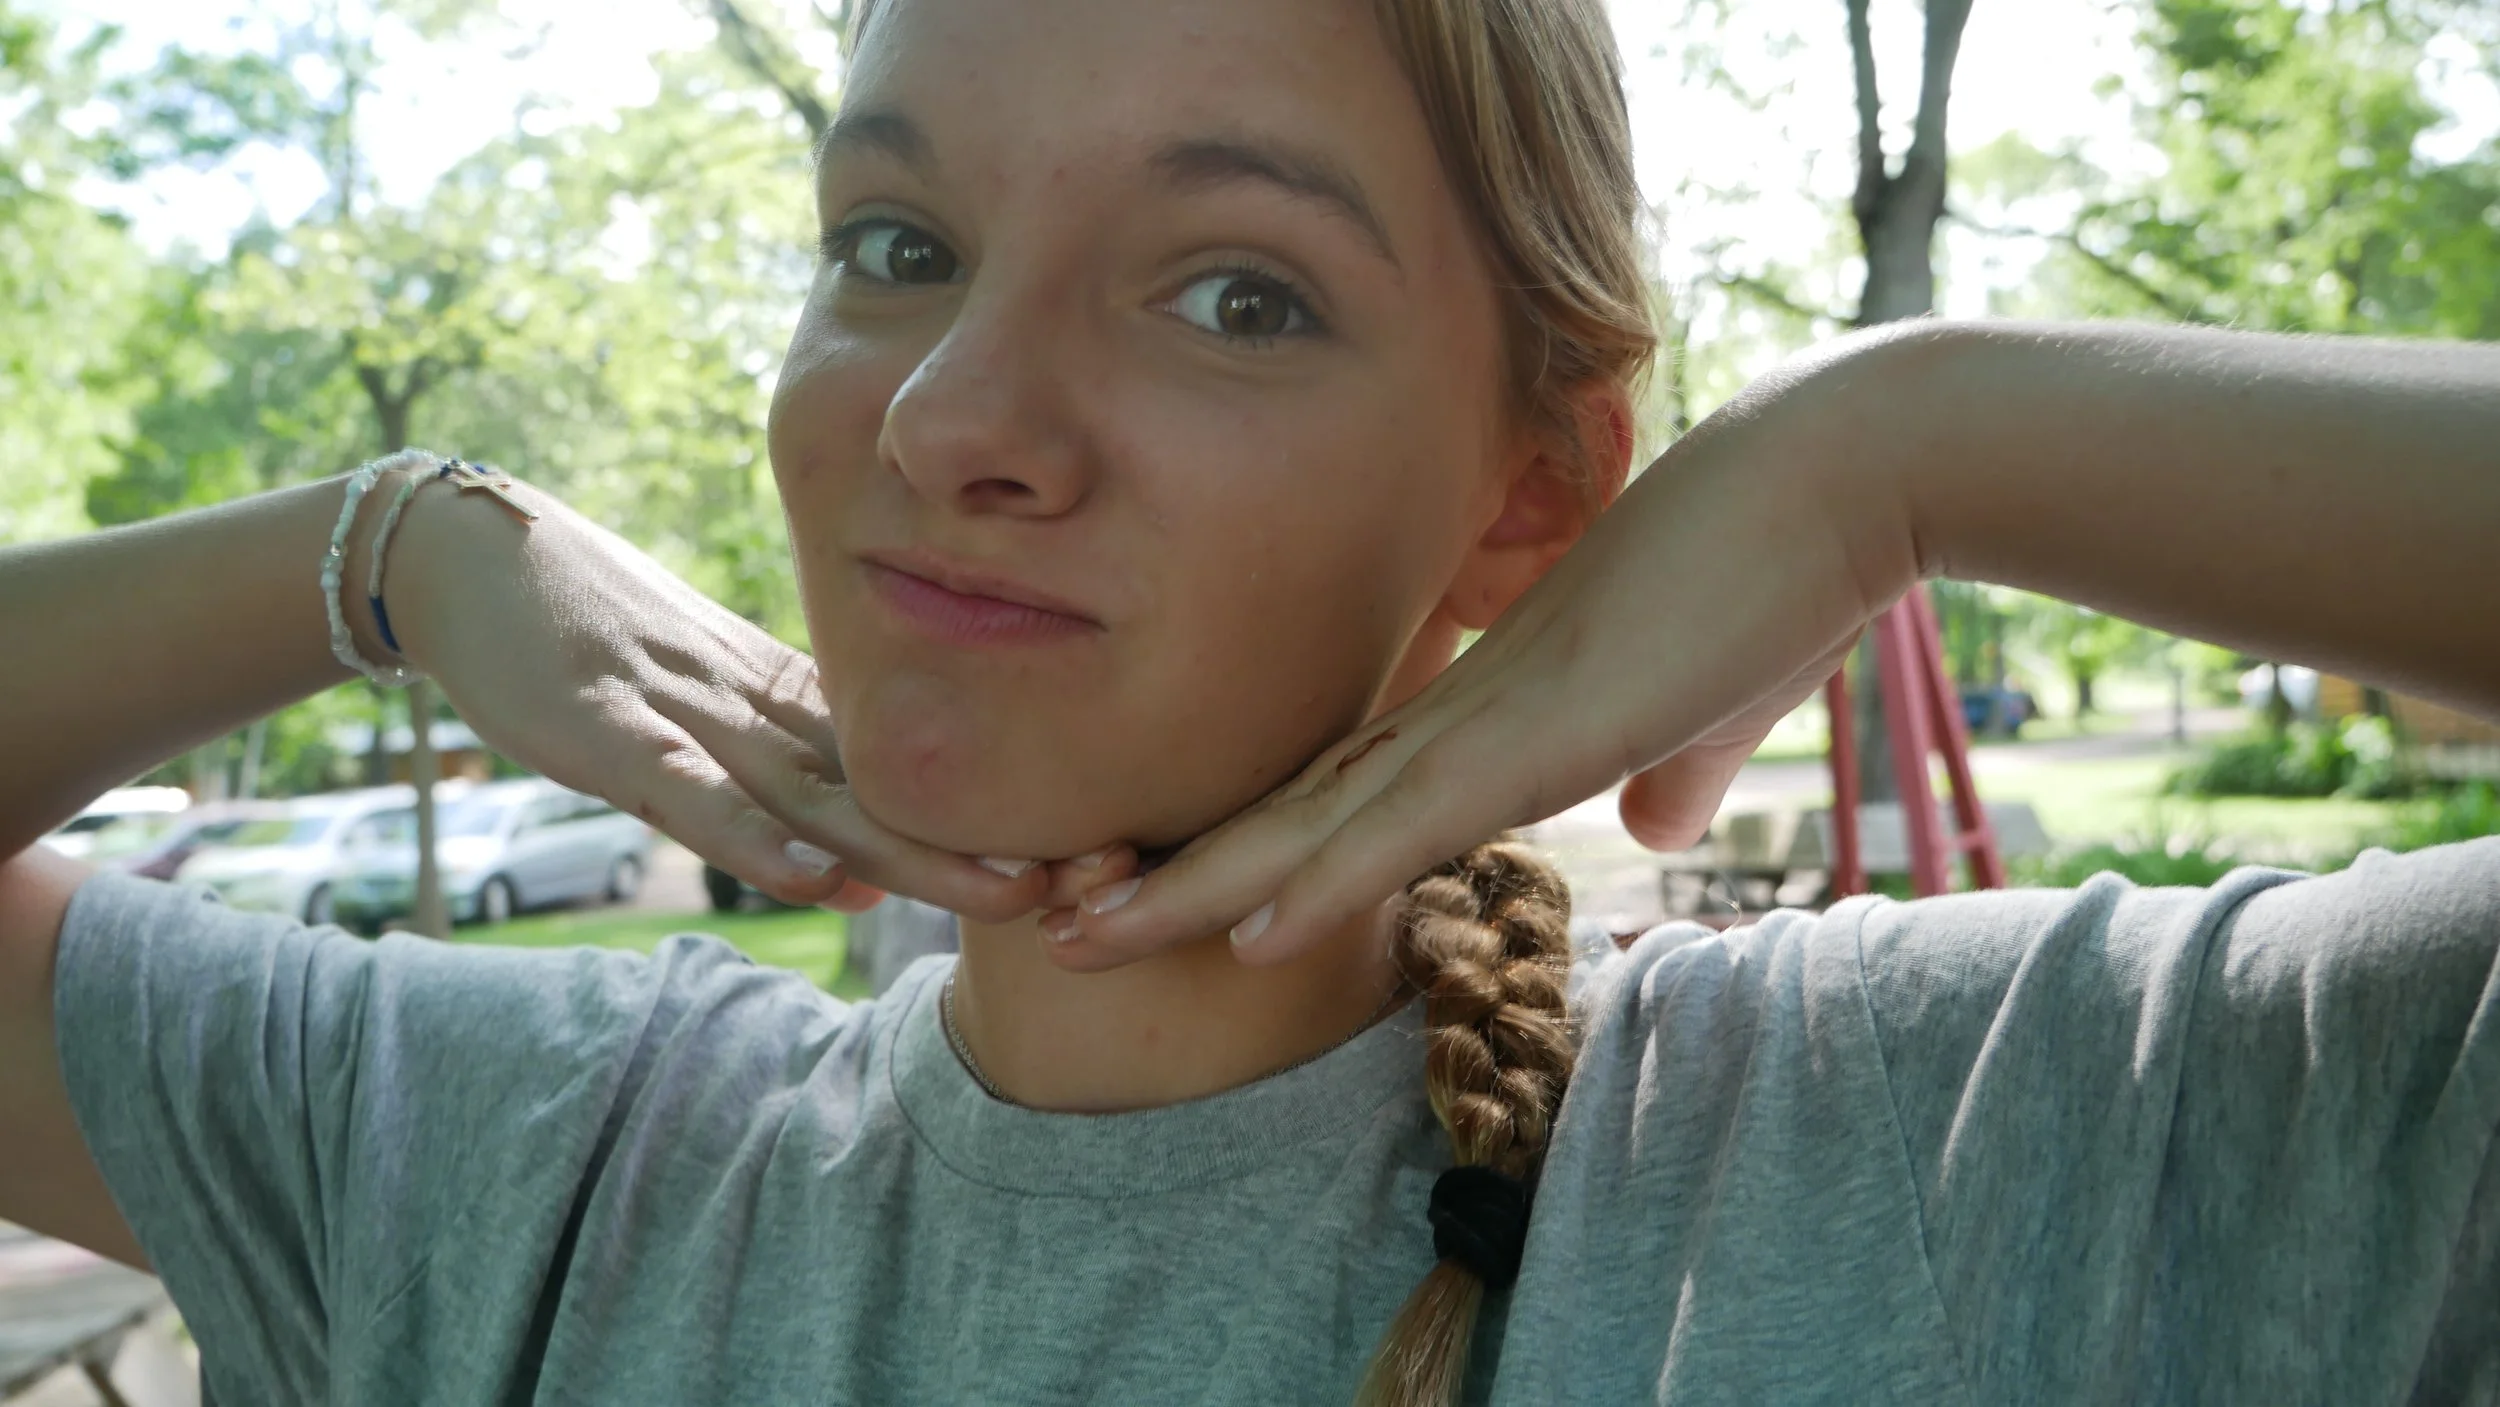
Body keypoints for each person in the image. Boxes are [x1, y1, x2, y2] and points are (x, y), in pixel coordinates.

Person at [2, 0, 2495, 1401]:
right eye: (895, 242)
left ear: (1538, 493)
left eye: (1230, 292)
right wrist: (376, 547)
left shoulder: (1979, 1150)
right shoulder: (497, 1159)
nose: (950, 412)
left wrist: (1915, 443)